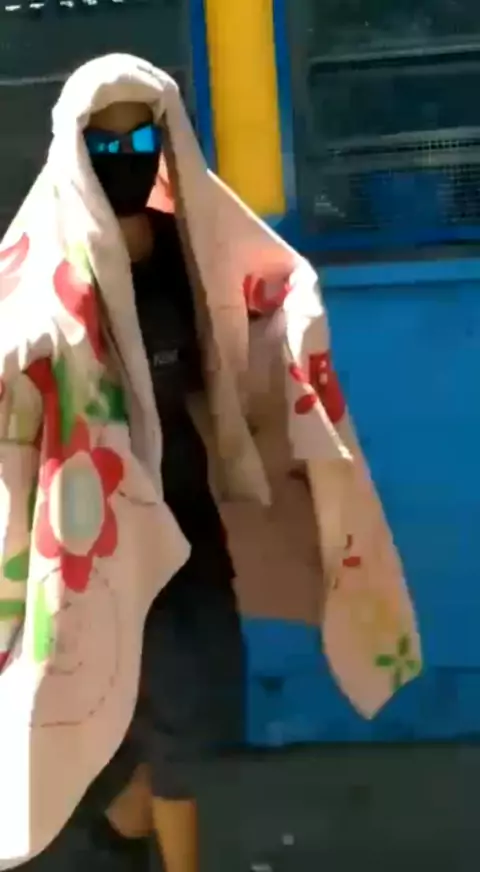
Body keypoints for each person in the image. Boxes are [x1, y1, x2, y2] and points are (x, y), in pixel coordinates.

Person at [0, 53, 421, 872]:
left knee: (203, 689)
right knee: (174, 708)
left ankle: (117, 832)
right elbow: (17, 334)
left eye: (141, 144)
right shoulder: (52, 267)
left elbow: (259, 291)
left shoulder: (186, 246)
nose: (125, 163)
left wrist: (296, 314)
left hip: (190, 512)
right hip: (104, 530)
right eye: (104, 147)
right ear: (73, 149)